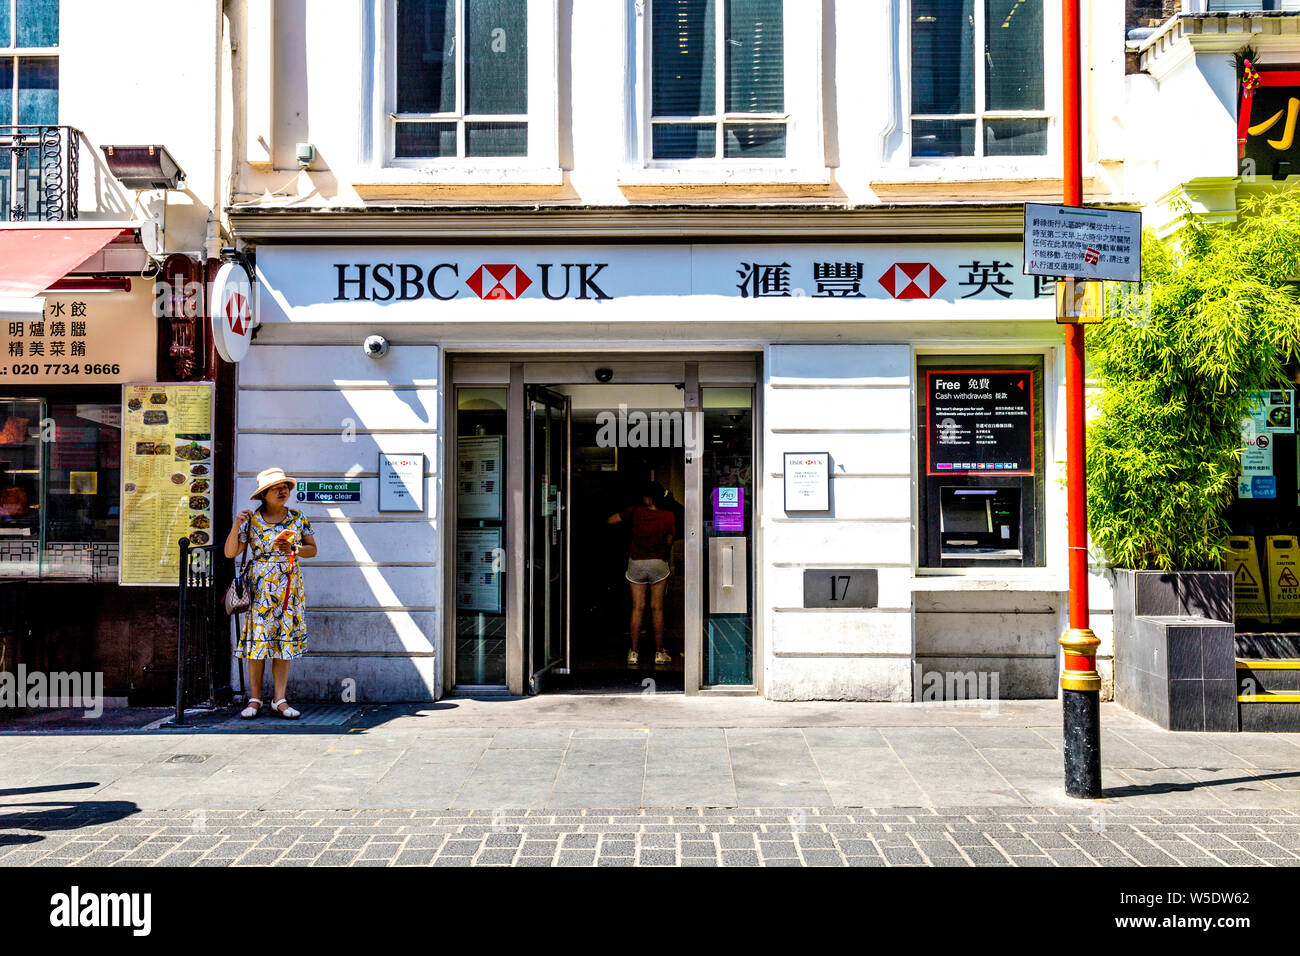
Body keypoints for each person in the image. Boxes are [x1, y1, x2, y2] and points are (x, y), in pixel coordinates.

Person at [223, 467, 318, 719]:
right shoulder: (252, 520)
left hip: (288, 588)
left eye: (285, 487)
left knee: (282, 642)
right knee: (258, 644)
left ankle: (279, 699)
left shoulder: (298, 518)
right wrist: (236, 525)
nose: (283, 491)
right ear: (264, 493)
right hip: (260, 588)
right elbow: (231, 552)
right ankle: (254, 699)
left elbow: (312, 550)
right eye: (277, 488)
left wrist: (294, 548)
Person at [607, 481, 676, 667]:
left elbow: (611, 520)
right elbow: (670, 541)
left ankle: (633, 653)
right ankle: (660, 653)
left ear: (647, 497)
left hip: (636, 562)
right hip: (658, 564)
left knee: (637, 608)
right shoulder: (669, 516)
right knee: (657, 608)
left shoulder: (635, 511)